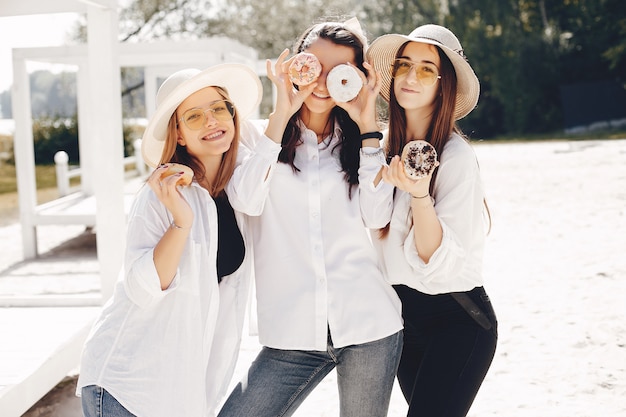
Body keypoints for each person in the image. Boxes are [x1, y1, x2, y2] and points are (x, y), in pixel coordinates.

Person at [218, 18, 404, 417]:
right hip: (292, 334)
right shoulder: (255, 136)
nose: (321, 82)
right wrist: (282, 112)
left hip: (369, 326)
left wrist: (368, 125)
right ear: (295, 65)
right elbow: (247, 200)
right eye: (312, 66)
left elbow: (377, 216)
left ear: (355, 77)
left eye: (338, 71)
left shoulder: (369, 142)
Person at [75, 63, 263, 417]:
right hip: (127, 388)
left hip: (179, 394)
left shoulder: (235, 192)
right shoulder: (161, 194)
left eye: (219, 109)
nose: (211, 121)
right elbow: (143, 287)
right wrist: (181, 222)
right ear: (177, 134)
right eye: (194, 116)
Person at [366, 24, 498, 416]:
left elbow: (435, 260)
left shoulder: (455, 158)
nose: (409, 77)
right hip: (403, 323)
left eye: (426, 69)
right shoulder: (380, 148)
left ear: (445, 85)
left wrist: (419, 193)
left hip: (458, 320)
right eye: (404, 65)